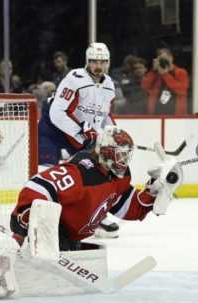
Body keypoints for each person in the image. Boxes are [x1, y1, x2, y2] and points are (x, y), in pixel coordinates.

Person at [11, 125, 182, 250]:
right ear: (106, 152)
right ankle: (11, 253)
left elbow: (128, 207)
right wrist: (24, 220)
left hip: (72, 240)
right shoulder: (83, 172)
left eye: (126, 156)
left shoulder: (118, 177)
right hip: (51, 235)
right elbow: (38, 186)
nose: (123, 161)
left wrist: (155, 189)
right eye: (120, 155)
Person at [37, 42, 119, 237]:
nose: (98, 66)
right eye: (94, 62)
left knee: (96, 171)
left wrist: (112, 132)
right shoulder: (75, 78)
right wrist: (82, 133)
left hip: (79, 132)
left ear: (108, 63)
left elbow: (103, 115)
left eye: (102, 62)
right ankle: (41, 221)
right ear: (87, 62)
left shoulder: (109, 85)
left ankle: (95, 217)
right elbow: (57, 113)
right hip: (53, 130)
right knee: (47, 173)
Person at [141, 47, 189, 114]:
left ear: (171, 58)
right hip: (155, 114)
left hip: (176, 115)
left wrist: (165, 74)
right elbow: (144, 87)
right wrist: (153, 71)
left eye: (165, 58)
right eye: (161, 59)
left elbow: (181, 90)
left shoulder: (181, 72)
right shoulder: (154, 73)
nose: (164, 62)